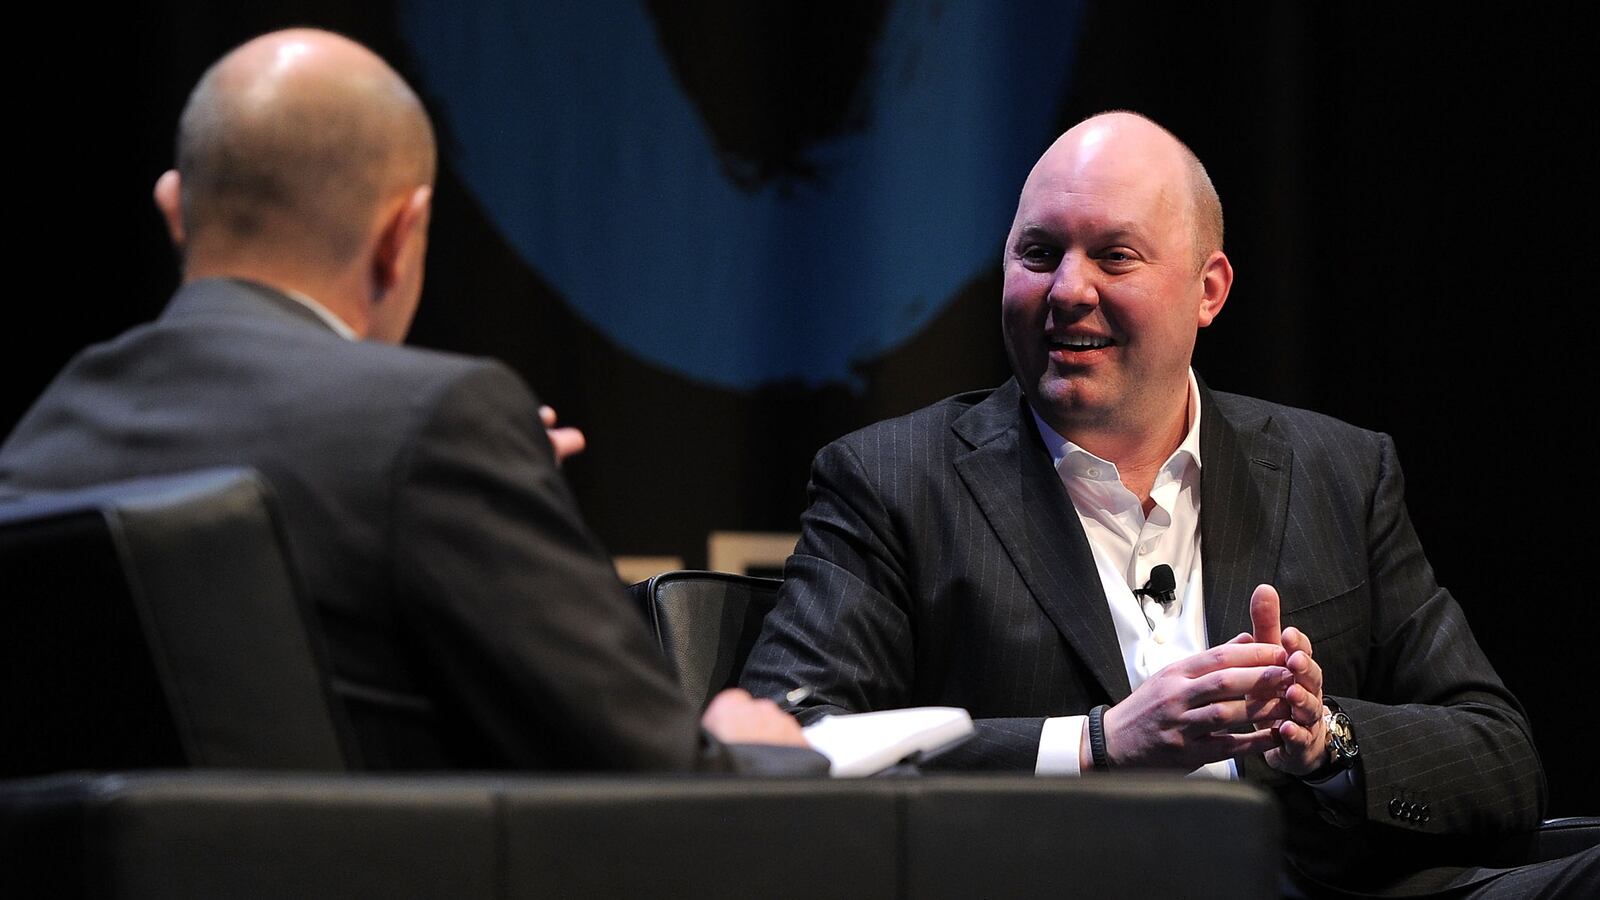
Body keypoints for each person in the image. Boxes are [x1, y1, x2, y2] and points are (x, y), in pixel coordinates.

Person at [741, 111, 1596, 894]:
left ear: (1209, 290)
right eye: (1038, 253)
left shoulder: (1340, 470)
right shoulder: (893, 480)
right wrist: (1098, 746)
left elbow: (1501, 759)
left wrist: (1323, 737)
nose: (1068, 289)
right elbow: (784, 746)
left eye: (1115, 256)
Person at [0, 28, 808, 772]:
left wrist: (481, 494)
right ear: (401, 232)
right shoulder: (438, 423)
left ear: (176, 210)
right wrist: (751, 751)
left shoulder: (43, 435)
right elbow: (653, 773)